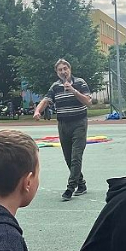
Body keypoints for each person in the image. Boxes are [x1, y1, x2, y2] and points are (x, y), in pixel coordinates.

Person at [34, 58, 92, 202]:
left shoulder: (80, 83)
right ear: (57, 72)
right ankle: (81, 184)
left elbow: (88, 102)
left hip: (79, 123)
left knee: (76, 156)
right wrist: (37, 111)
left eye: (65, 69)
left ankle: (70, 188)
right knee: (68, 157)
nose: (63, 72)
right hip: (63, 124)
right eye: (60, 70)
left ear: (70, 69)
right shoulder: (55, 86)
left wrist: (73, 90)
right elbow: (46, 100)